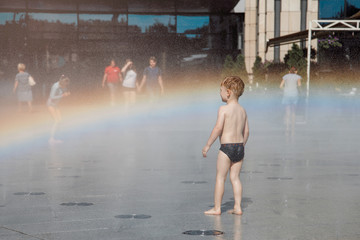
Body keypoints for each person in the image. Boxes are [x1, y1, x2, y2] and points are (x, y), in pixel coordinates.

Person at [202, 76, 249, 215]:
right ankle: (238, 207)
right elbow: (246, 131)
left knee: (220, 178)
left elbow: (217, 128)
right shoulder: (242, 110)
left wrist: (208, 145)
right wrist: (242, 145)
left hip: (226, 148)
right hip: (240, 147)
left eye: (221, 90)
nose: (219, 93)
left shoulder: (223, 109)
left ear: (228, 92)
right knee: (235, 178)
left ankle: (217, 208)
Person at [47, 75, 70, 145]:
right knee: (56, 121)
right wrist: (63, 95)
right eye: (65, 85)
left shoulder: (62, 83)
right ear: (62, 84)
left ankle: (57, 136)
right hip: (51, 104)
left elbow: (62, 80)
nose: (66, 86)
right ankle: (51, 139)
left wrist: (66, 93)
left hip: (56, 105)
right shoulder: (55, 87)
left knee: (60, 120)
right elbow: (52, 97)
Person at [279, 66, 302, 135]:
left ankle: (287, 128)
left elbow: (280, 86)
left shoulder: (285, 76)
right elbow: (299, 85)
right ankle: (293, 128)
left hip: (286, 95)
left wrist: (285, 90)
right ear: (296, 71)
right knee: (293, 112)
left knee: (287, 112)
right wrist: (301, 93)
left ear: (289, 71)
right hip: (294, 95)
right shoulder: (297, 77)